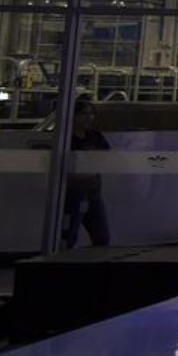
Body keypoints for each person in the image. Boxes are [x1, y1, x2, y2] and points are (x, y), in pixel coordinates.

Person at [63, 95, 113, 248]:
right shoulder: (65, 139)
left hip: (93, 195)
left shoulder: (95, 136)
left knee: (102, 237)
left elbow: (106, 158)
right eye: (84, 113)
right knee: (69, 237)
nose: (89, 117)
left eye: (91, 113)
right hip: (72, 195)